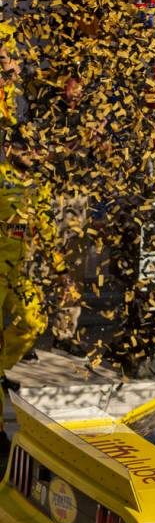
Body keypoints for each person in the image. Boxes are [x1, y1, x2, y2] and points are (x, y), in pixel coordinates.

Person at [0, 128, 69, 463]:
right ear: (10, 148)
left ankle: (1, 368)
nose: (34, 154)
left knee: (32, 320)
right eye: (27, 148)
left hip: (18, 268)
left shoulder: (37, 185)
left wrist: (61, 271)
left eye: (39, 149)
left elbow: (44, 228)